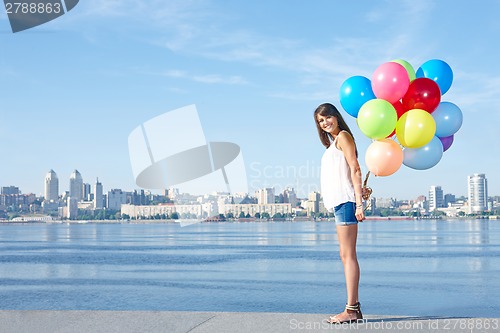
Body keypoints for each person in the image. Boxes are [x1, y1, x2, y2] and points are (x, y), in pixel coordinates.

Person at [314, 102, 365, 324]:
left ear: (336, 116)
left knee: (348, 255)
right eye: (320, 121)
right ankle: (353, 308)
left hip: (346, 202)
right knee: (345, 255)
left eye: (327, 117)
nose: (325, 122)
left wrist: (359, 203)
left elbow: (355, 168)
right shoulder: (334, 142)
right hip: (339, 204)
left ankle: (352, 309)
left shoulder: (343, 136)